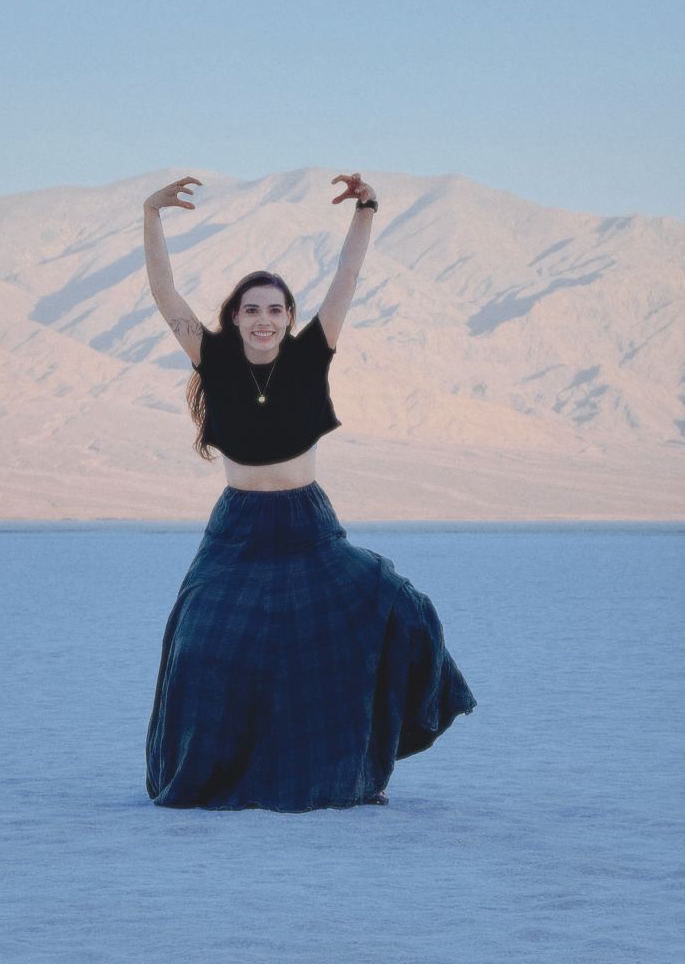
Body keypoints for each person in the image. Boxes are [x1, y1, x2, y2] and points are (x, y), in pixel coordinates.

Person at [143, 172, 477, 812]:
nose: (264, 319)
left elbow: (346, 279)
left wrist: (366, 212)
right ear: (234, 318)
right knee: (201, 645)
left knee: (390, 611)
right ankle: (205, 772)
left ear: (289, 318)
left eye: (276, 309)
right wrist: (151, 216)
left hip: (306, 528)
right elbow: (166, 294)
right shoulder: (210, 357)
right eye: (252, 308)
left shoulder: (311, 355)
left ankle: (341, 767)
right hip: (237, 531)